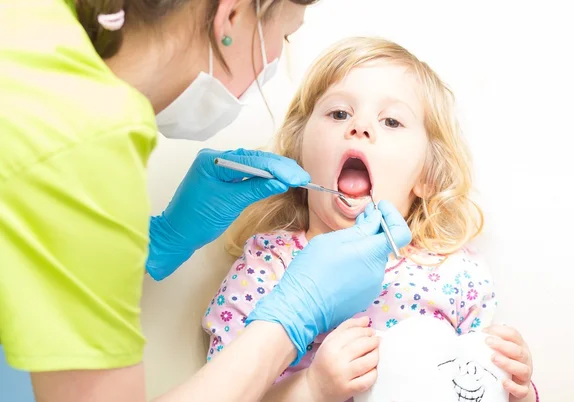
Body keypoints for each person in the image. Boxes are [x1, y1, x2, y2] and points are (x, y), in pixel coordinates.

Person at [0, 2, 412, 402]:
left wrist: (157, 242)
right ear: (230, 15)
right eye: (284, 36)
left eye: (392, 121)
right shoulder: (79, 138)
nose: (360, 128)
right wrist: (291, 323)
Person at [203, 37, 539, 402]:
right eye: (339, 114)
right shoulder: (266, 266)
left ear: (427, 177)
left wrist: (511, 385)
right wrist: (312, 388)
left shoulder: (456, 273)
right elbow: (227, 391)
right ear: (300, 153)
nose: (360, 126)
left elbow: (472, 385)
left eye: (392, 121)